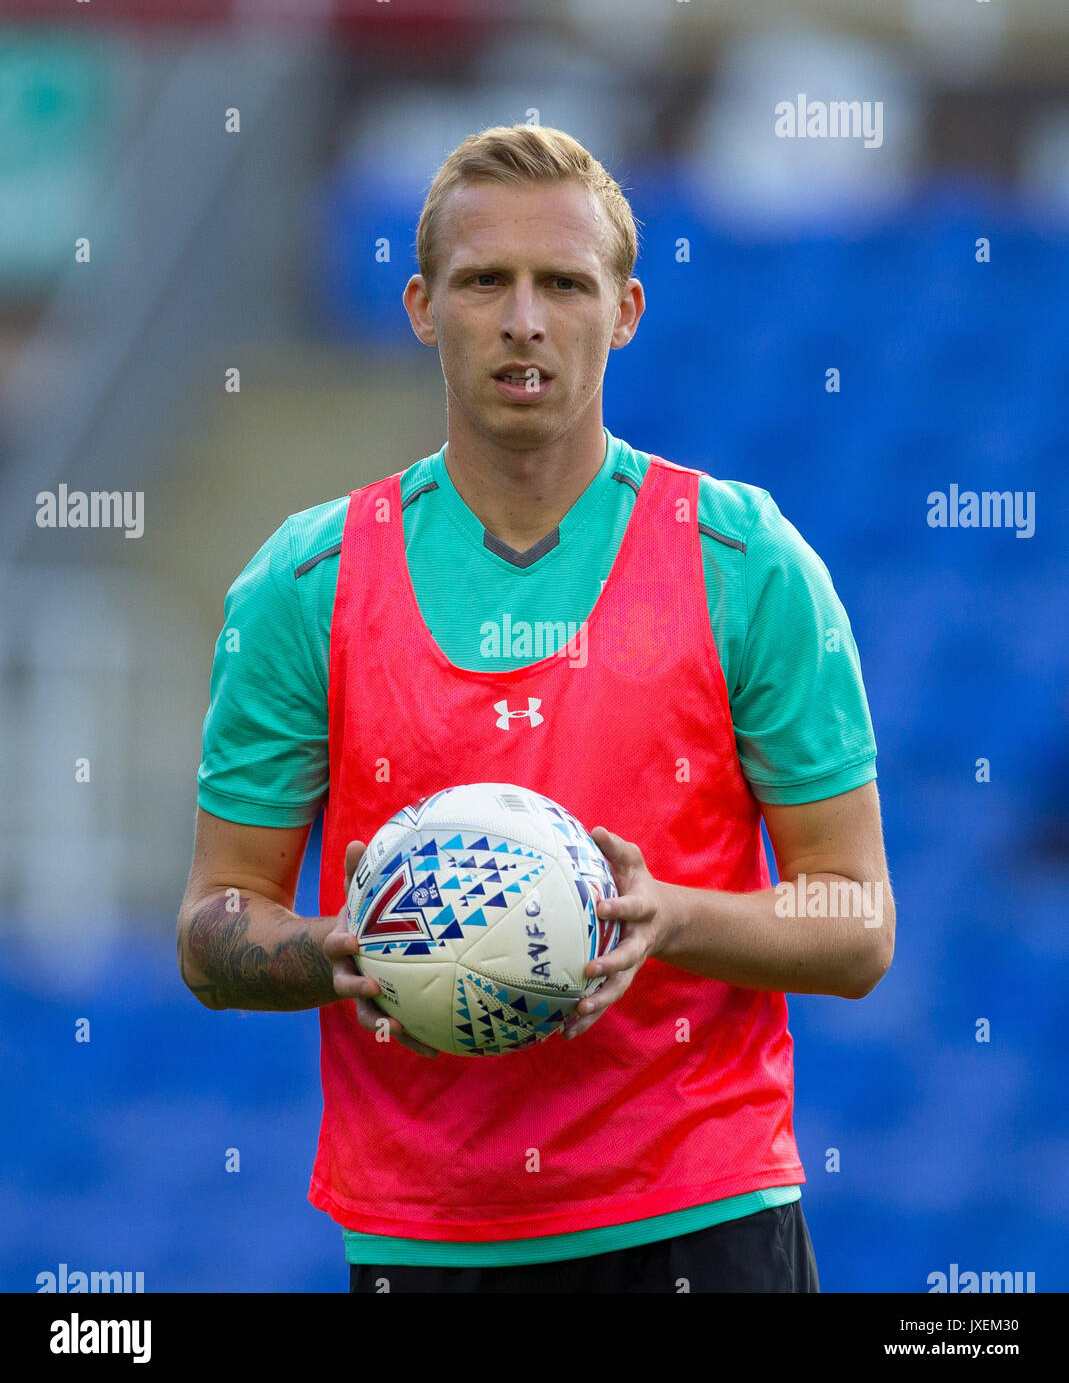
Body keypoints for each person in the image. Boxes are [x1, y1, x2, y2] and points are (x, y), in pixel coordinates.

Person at [177, 123, 895, 1294]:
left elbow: (857, 919)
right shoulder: (306, 583)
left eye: (564, 282)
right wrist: (341, 950)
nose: (524, 319)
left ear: (624, 311)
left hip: (702, 1218)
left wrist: (667, 918)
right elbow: (214, 925)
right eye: (483, 282)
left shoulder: (743, 559)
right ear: (420, 305)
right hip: (424, 1235)